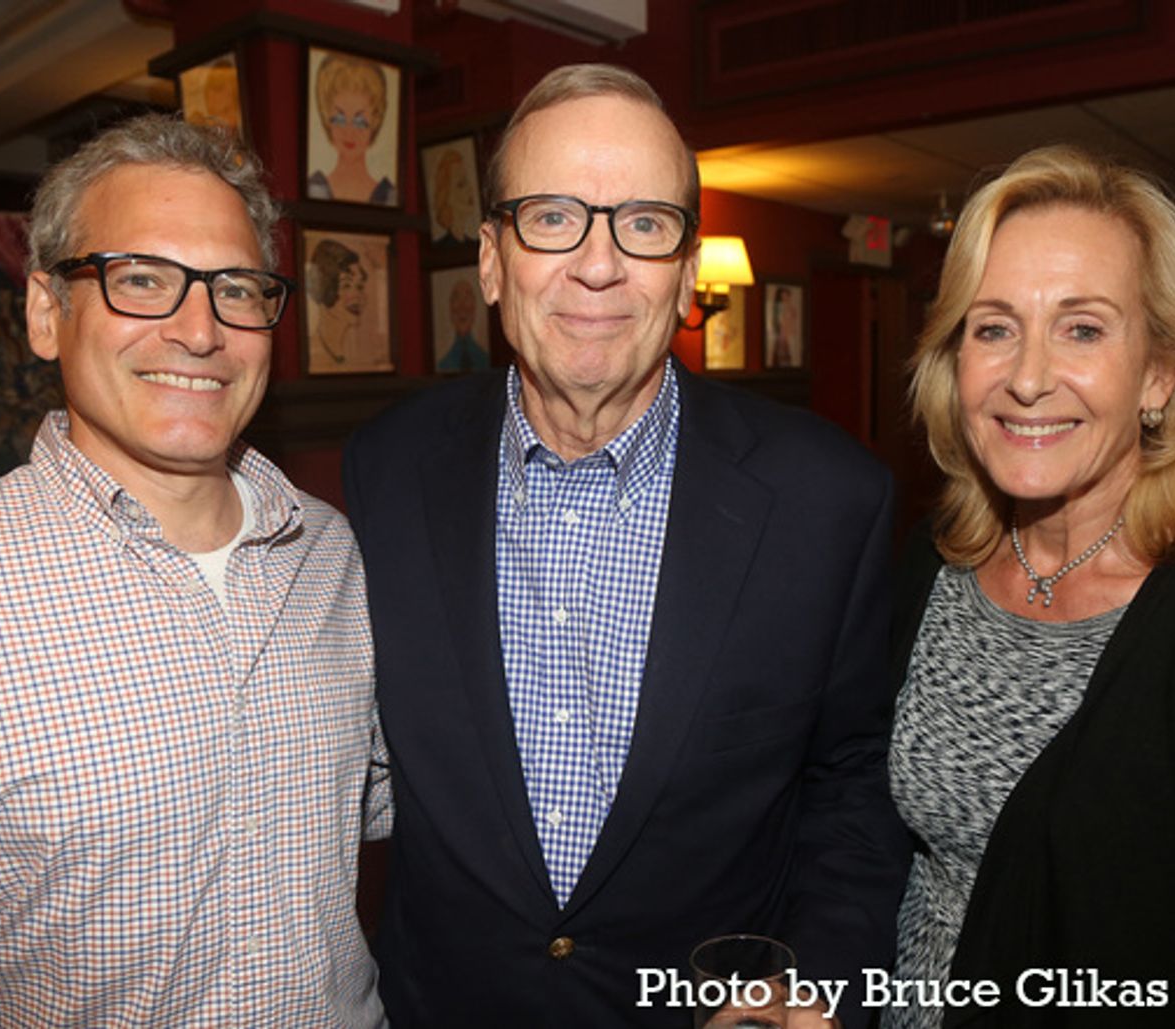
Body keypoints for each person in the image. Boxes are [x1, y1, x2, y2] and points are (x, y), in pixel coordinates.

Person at [342, 63, 908, 1029]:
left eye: (643, 223)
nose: (598, 265)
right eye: (552, 217)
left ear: (687, 270)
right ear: (490, 260)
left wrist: (815, 980)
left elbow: (853, 778)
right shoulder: (385, 471)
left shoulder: (829, 500)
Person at [0, 114, 393, 1026]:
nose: (200, 330)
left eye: (238, 289)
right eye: (141, 280)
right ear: (47, 312)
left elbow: (410, 800)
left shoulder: (335, 553)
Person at [889, 144, 1175, 1027]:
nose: (1028, 377)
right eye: (993, 326)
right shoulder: (927, 565)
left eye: (1082, 328)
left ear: (1161, 372)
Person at [307, 52, 395, 205]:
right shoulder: (315, 187)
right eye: (340, 119)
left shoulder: (389, 195)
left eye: (360, 121)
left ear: (375, 121)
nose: (349, 132)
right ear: (326, 117)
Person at [309, 237, 367, 369]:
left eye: (360, 286)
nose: (357, 296)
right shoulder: (315, 351)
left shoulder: (360, 353)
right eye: (346, 285)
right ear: (325, 288)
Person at [435, 277, 489, 372]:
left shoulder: (485, 359)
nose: (462, 306)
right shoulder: (443, 364)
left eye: (467, 298)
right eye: (456, 298)